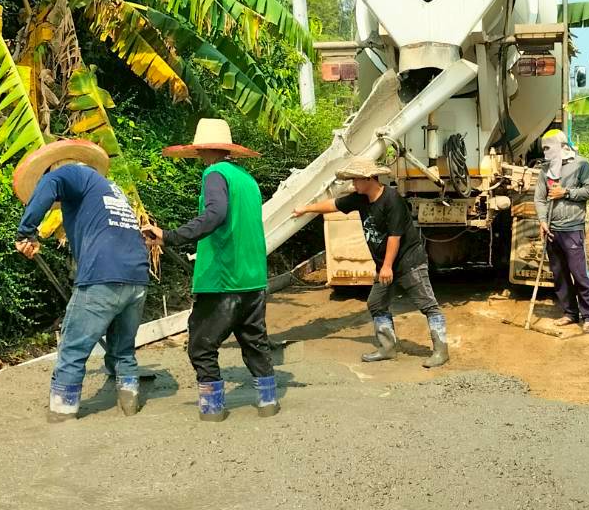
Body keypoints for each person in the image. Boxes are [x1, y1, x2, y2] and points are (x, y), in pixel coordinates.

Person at [144, 118, 278, 422]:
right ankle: (268, 402)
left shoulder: (214, 173)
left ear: (203, 149)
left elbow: (215, 214)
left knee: (201, 345)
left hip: (223, 278)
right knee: (255, 342)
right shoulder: (247, 179)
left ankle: (212, 408)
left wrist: (170, 236)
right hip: (253, 276)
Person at [15, 140, 150, 421]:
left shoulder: (67, 173)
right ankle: (129, 403)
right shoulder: (110, 188)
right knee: (123, 350)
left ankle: (62, 414)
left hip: (103, 275)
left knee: (73, 349)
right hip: (137, 277)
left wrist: (26, 232)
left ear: (55, 166)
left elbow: (51, 184)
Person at [292, 158, 450, 368]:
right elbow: (333, 205)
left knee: (427, 305)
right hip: (385, 265)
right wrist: (306, 209)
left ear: (369, 179)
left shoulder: (392, 199)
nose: (353, 184)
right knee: (376, 303)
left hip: (408, 262)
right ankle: (387, 348)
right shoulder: (360, 199)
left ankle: (441, 351)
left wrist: (387, 266)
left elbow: (395, 236)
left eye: (356, 179)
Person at [535, 128, 589, 332]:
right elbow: (539, 198)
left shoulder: (581, 164)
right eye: (544, 148)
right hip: (552, 230)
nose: (545, 151)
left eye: (549, 147)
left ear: (562, 146)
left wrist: (566, 192)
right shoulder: (546, 170)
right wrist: (543, 221)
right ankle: (570, 313)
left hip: (572, 228)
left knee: (579, 274)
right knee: (560, 274)